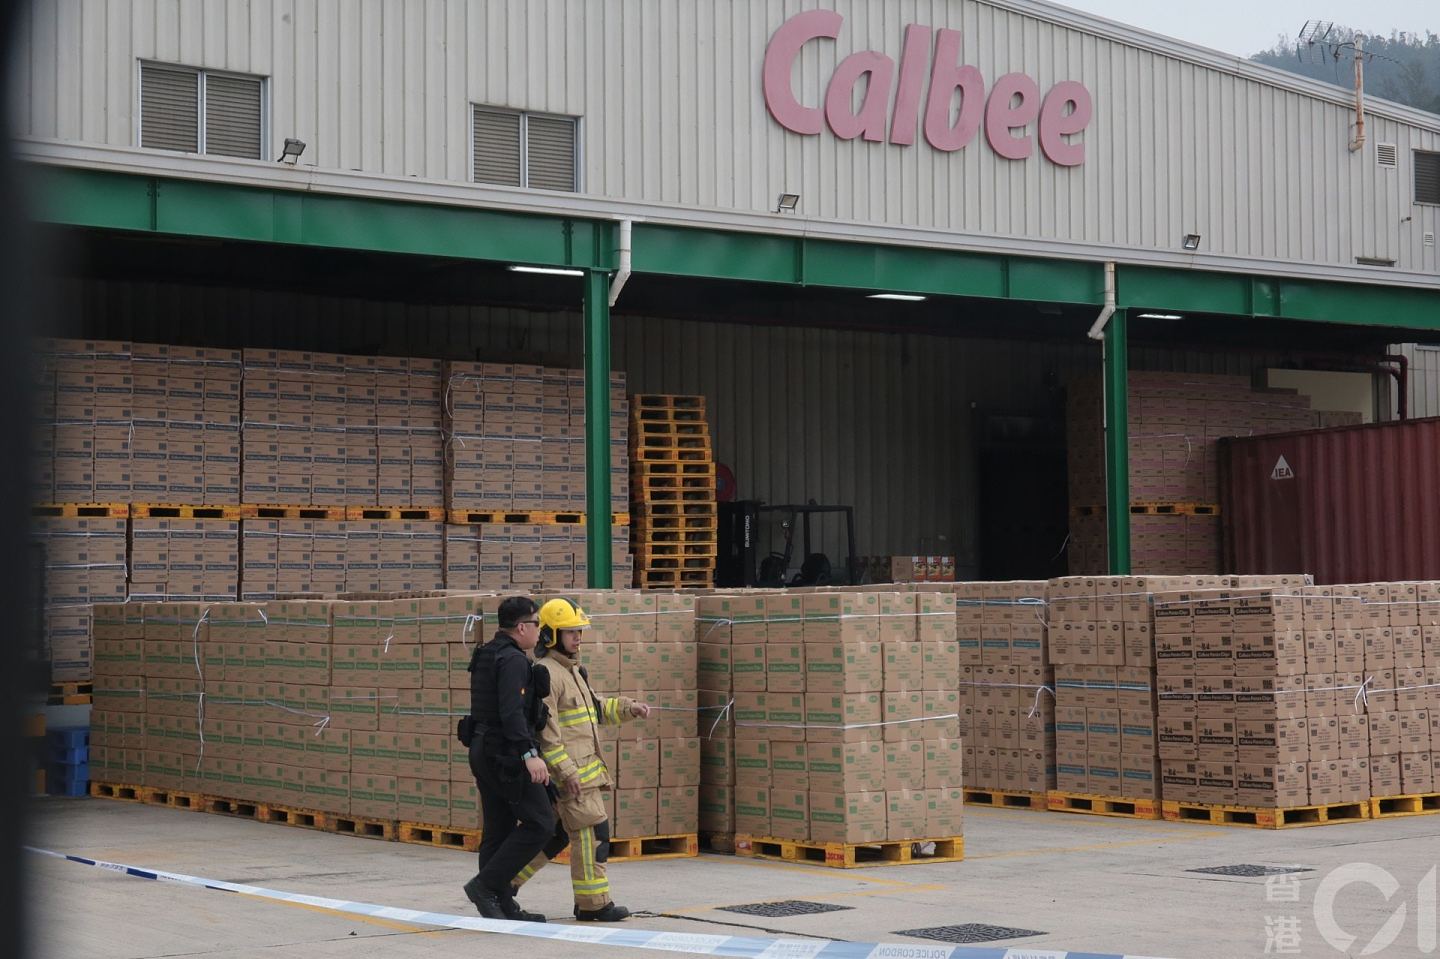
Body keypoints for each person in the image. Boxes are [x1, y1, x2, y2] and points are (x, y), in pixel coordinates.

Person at [512, 597, 651, 922]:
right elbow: (548, 733)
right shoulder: (548, 673)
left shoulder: (571, 670)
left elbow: (595, 709)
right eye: (570, 631)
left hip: (579, 774)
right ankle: (593, 904)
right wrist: (567, 772)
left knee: (551, 835)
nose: (578, 637)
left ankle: (503, 881)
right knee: (592, 835)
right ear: (550, 635)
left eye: (579, 631)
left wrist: (629, 707)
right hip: (573, 777)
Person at [461, 595, 555, 922]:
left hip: (483, 748)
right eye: (536, 624)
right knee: (542, 822)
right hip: (506, 754)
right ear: (521, 627)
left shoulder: (487, 653)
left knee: (498, 828)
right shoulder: (514, 661)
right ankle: (485, 886)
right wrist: (530, 754)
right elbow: (512, 713)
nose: (539, 631)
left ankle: (500, 902)